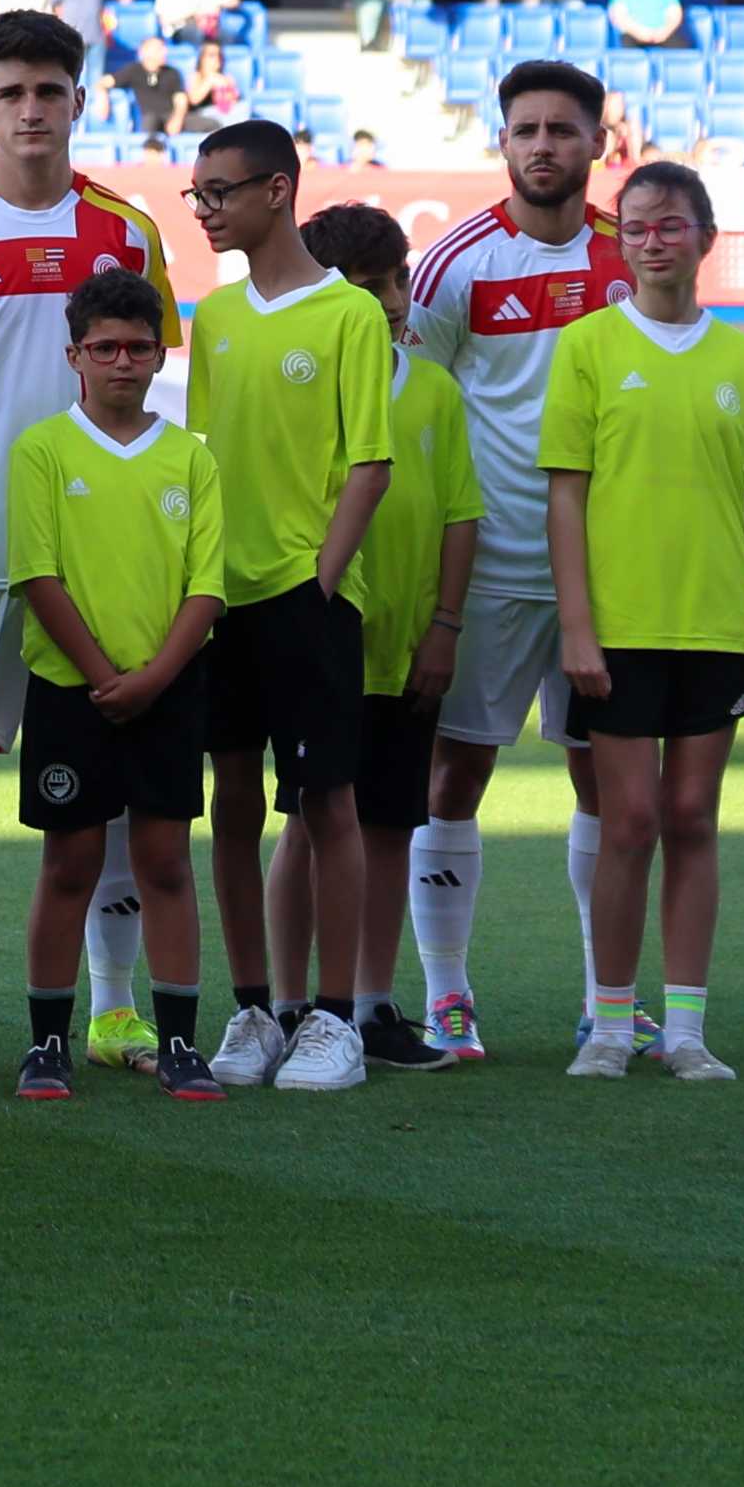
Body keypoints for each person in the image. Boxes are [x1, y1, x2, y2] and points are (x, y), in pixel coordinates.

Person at [0, 10, 173, 1081]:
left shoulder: (127, 231)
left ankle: (112, 1009)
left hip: (99, 549)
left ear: (80, 101)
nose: (32, 110)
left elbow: (147, 375)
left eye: (51, 91)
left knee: (110, 774)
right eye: (11, 92)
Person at [542, 161, 744, 1083]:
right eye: (638, 227)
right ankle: (612, 1022)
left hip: (715, 627)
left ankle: (684, 1027)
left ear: (704, 239)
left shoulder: (740, 359)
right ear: (620, 242)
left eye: (671, 226)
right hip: (619, 625)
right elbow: (564, 499)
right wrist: (577, 625)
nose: (654, 242)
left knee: (692, 816)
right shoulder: (587, 348)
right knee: (629, 821)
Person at [400, 60, 626, 1061]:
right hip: (490, 564)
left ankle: (604, 998)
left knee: (604, 783)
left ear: (596, 144)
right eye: (525, 129)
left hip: (612, 570)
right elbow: (423, 409)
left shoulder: (634, 260)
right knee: (456, 773)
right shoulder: (455, 266)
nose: (543, 145)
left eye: (562, 130)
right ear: (502, 143)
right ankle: (449, 997)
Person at [178, 119, 406, 1092]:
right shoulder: (216, 319)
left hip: (306, 599)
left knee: (327, 800)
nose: (204, 209)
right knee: (229, 802)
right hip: (218, 600)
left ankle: (339, 1017)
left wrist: (323, 570)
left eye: (218, 191)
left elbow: (370, 460)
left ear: (277, 190)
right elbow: (194, 459)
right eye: (197, 194)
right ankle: (257, 1009)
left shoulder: (348, 313)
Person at [0, 268, 227, 1103]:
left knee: (165, 860)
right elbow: (36, 573)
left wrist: (158, 674)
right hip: (73, 691)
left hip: (168, 689)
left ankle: (176, 1043)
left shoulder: (187, 459)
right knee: (71, 861)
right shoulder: (42, 450)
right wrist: (105, 677)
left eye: (138, 347)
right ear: (75, 355)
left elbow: (207, 585)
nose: (123, 363)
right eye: (105, 348)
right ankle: (47, 1044)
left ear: (162, 352)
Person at [305, 204, 477, 1078]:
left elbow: (457, 518)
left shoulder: (435, 392)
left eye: (386, 284)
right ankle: (288, 1004)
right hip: (319, 643)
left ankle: (370, 1005)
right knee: (305, 823)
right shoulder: (304, 383)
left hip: (405, 647)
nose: (376, 304)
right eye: (354, 289)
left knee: (384, 829)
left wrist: (443, 628)